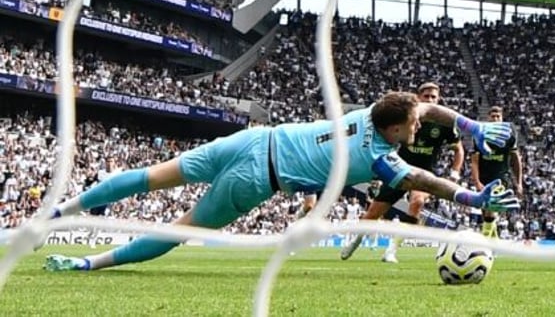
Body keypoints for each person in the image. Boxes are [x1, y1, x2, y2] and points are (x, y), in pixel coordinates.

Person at [43, 91, 518, 272]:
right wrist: (471, 195)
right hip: (256, 178)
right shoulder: (379, 157)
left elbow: (428, 109)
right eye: (411, 128)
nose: (417, 130)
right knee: (179, 228)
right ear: (394, 129)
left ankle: (61, 211)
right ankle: (89, 265)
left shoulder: (371, 113)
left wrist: (471, 129)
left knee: (150, 177)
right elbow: (422, 179)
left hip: (251, 140)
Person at [340, 83, 464, 263]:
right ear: (418, 98)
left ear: (439, 99)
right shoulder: (406, 117)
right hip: (399, 169)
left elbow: (458, 149)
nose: (430, 100)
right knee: (372, 214)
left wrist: (455, 173)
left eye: (433, 97)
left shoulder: (445, 124)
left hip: (424, 173)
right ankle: (355, 242)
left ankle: (391, 250)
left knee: (417, 202)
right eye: (426, 96)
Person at [470, 106, 523, 239]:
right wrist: (477, 182)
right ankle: (494, 243)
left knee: (490, 209)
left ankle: (484, 241)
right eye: (492, 117)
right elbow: (475, 161)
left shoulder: (509, 135)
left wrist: (519, 183)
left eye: (498, 117)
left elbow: (516, 160)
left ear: (502, 119)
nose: (495, 119)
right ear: (488, 118)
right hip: (483, 177)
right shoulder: (480, 135)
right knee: (486, 213)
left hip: (500, 178)